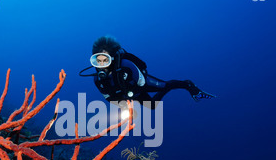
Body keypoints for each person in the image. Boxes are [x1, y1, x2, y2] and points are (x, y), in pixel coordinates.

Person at [79, 35, 215, 110]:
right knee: (153, 106)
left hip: (140, 85)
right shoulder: (98, 80)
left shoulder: (125, 65)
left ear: (112, 59)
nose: (102, 65)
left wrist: (130, 93)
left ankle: (188, 85)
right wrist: (123, 105)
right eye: (97, 61)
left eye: (105, 60)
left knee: (165, 86)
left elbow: (141, 81)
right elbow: (107, 97)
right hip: (129, 95)